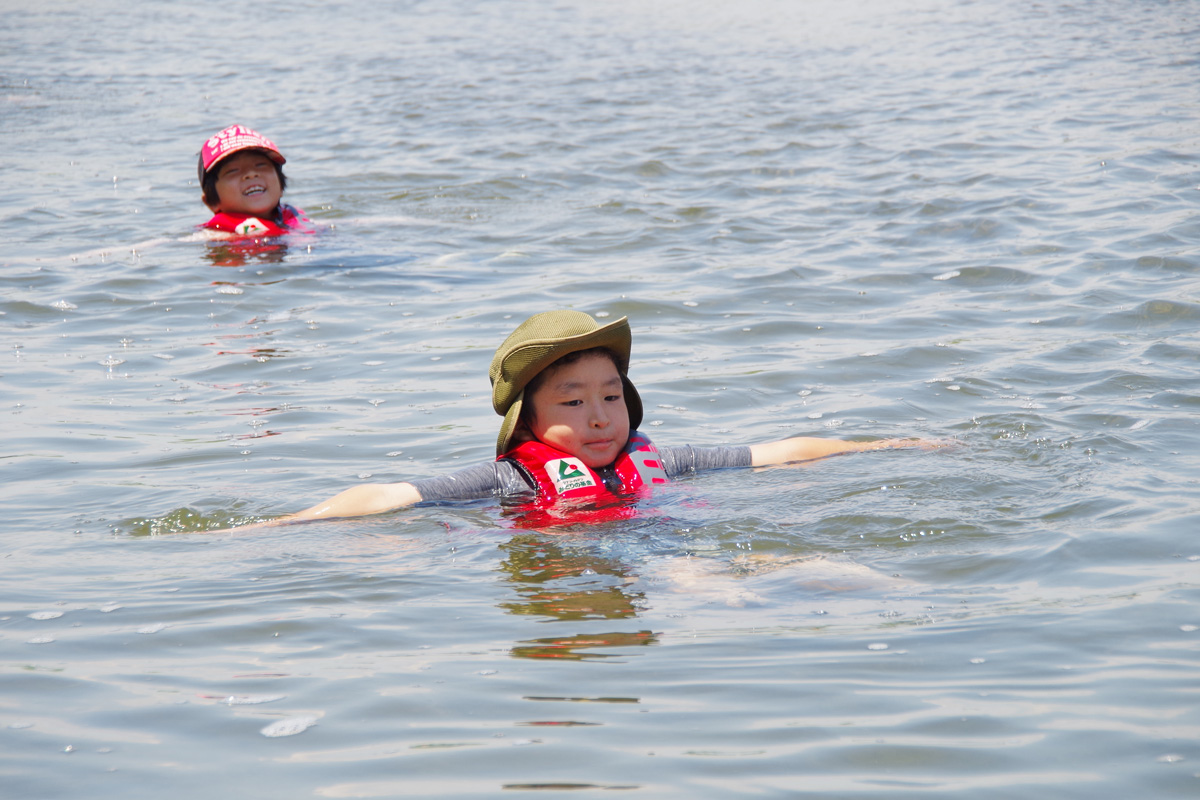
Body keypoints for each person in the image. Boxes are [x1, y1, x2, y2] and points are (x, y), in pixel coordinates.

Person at [234, 310, 938, 530]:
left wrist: (883, 444)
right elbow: (393, 494)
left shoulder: (670, 458)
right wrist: (281, 524)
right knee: (708, 585)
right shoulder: (508, 478)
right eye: (572, 403)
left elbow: (776, 451)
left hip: (653, 553)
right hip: (569, 567)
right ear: (528, 420)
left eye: (611, 395)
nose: (600, 417)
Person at [197, 125, 315, 237]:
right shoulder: (216, 235)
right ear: (210, 202)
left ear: (280, 186)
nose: (251, 174)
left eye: (261, 165)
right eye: (233, 171)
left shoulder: (291, 216)